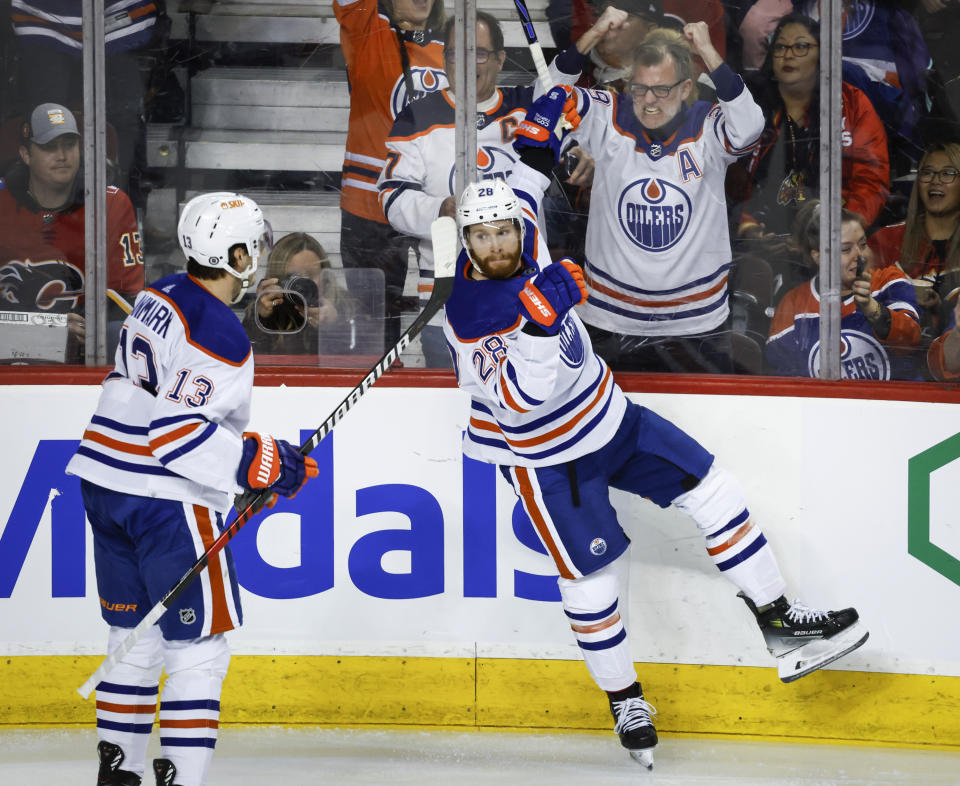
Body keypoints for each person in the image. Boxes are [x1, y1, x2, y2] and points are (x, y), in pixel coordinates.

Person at [445, 85, 868, 768]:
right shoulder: (474, 316)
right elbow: (525, 402)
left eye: (505, 232)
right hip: (548, 457)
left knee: (714, 488)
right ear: (465, 241)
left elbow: (526, 168)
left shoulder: (517, 226)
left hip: (613, 419)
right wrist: (539, 325)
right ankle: (624, 699)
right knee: (591, 577)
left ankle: (781, 624)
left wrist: (556, 108)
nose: (497, 244)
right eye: (484, 236)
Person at [65, 193, 319, 786]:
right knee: (197, 648)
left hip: (105, 481)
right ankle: (179, 777)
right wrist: (258, 465)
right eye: (252, 245)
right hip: (164, 501)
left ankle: (119, 771)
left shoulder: (162, 291)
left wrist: (251, 452)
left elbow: (173, 390)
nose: (259, 253)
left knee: (133, 636)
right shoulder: (222, 337)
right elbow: (176, 436)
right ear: (233, 253)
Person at [376, 9, 608, 366]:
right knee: (454, 415)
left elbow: (558, 99)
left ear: (500, 59)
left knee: (525, 406)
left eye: (479, 53)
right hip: (449, 303)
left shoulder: (524, 109)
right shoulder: (417, 117)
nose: (467, 63)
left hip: (528, 299)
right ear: (444, 58)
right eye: (456, 53)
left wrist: (577, 154)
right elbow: (392, 199)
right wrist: (443, 208)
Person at [558, 23, 763, 373]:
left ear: (686, 88)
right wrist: (571, 148)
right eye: (640, 89)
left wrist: (708, 51)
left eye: (661, 90)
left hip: (696, 325)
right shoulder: (608, 114)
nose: (649, 101)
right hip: (609, 319)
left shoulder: (709, 127)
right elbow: (547, 101)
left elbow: (749, 127)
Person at [335, 0, 447, 352]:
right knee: (373, 332)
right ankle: (378, 396)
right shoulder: (368, 31)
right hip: (369, 202)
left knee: (449, 321)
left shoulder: (458, 46)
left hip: (439, 203)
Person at [0, 103, 143, 361]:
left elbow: (126, 298)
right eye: (48, 147)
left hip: (83, 341)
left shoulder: (111, 203)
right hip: (9, 333)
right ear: (26, 154)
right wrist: (45, 327)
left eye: (69, 145)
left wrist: (77, 328)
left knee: (118, 334)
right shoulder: (2, 202)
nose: (62, 155)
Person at [732, 14, 890, 240]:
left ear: (822, 55)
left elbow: (871, 181)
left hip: (834, 236)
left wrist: (842, 230)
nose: (788, 55)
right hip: (760, 236)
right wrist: (748, 229)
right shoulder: (750, 104)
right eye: (781, 47)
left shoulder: (851, 103)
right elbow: (731, 183)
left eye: (801, 46)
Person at [766, 200, 921, 379]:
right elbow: (784, 376)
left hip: (890, 404)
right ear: (818, 256)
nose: (860, 255)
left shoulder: (889, 282)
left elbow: (911, 341)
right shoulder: (793, 303)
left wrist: (873, 309)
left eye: (862, 245)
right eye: (846, 249)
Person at [868, 141, 960, 346]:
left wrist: (940, 309)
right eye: (927, 173)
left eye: (948, 173)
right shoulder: (885, 241)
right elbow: (857, 301)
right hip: (896, 361)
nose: (935, 181)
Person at [242, 232, 368, 359]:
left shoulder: (348, 307)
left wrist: (335, 325)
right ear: (277, 280)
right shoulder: (265, 310)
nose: (303, 284)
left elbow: (366, 359)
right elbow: (248, 361)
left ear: (325, 276)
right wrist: (261, 319)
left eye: (310, 275)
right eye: (294, 277)